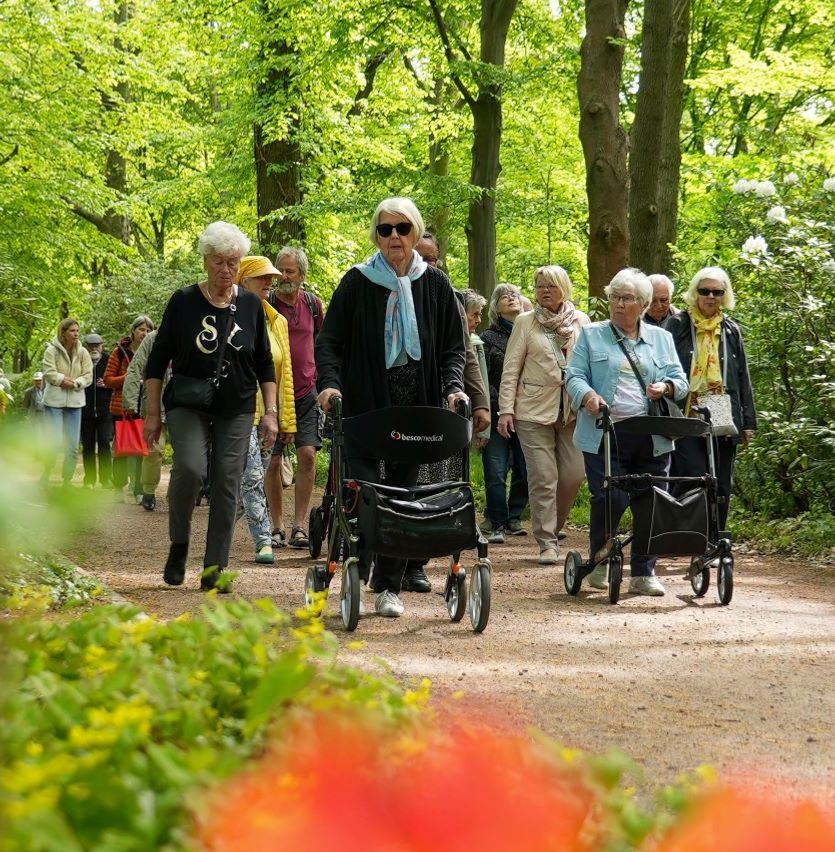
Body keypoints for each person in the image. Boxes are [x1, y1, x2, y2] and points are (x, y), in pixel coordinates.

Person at [315, 197, 466, 618]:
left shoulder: (435, 285)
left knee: (406, 498)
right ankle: (355, 573)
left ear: (415, 232)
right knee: (366, 496)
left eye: (402, 228)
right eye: (385, 230)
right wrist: (329, 385)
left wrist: (453, 389)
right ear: (376, 236)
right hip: (365, 408)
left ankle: (388, 587)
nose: (394, 237)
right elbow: (329, 343)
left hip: (416, 410)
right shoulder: (357, 281)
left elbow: (453, 348)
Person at [144, 221, 278, 592]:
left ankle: (214, 567)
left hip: (236, 406)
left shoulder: (251, 304)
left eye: (233, 263)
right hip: (188, 402)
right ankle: (179, 544)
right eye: (219, 262)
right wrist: (153, 415)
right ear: (205, 261)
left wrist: (270, 412)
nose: (226, 270)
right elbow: (158, 361)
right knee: (189, 469)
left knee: (227, 481)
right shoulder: (184, 301)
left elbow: (265, 362)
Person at [565, 268, 688, 597]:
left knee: (651, 500)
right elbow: (573, 376)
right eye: (614, 297)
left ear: (644, 304)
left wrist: (667, 385)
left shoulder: (661, 338)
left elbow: (682, 380)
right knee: (610, 498)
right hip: (605, 434)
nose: (618, 304)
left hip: (651, 436)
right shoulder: (591, 335)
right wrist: (588, 396)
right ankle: (601, 562)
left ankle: (644, 572)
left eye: (626, 298)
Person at [399, 236, 490, 594]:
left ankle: (416, 563)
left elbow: (465, 353)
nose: (427, 263)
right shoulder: (380, 290)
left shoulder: (448, 298)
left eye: (432, 258)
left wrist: (480, 401)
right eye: (420, 256)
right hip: (394, 407)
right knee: (396, 483)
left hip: (438, 406)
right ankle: (387, 556)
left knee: (430, 485)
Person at [497, 266, 589, 565]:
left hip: (573, 410)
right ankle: (547, 541)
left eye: (550, 285)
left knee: (574, 475)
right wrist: (506, 410)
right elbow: (511, 368)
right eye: (539, 286)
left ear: (564, 288)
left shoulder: (582, 322)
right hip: (532, 410)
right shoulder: (526, 322)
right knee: (543, 477)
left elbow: (592, 366)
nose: (544, 291)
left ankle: (555, 526)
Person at [667, 266, 756, 531]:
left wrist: (748, 421)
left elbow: (742, 376)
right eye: (705, 291)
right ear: (695, 293)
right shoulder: (679, 324)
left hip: (720, 405)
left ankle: (714, 539)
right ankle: (686, 533)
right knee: (690, 474)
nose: (710, 296)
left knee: (719, 479)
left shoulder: (730, 329)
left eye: (717, 292)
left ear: (724, 296)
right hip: (687, 405)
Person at [235, 256, 296, 564]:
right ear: (243, 281)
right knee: (252, 476)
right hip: (239, 410)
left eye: (271, 277)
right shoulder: (231, 317)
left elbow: (284, 376)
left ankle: (217, 530)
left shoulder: (278, 321)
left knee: (246, 481)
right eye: (262, 277)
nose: (270, 282)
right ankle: (263, 540)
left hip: (268, 415)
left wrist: (285, 419)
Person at [266, 246, 324, 550]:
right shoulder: (265, 304)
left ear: (302, 274)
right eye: (281, 270)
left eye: (290, 271)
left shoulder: (314, 306)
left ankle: (300, 526)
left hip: (307, 393)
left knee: (308, 456)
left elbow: (322, 346)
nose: (284, 276)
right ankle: (275, 527)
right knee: (273, 461)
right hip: (274, 395)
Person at [480, 283, 530, 544]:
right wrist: (502, 405)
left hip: (528, 412)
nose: (511, 297)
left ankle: (515, 517)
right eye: (503, 295)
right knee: (496, 469)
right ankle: (497, 522)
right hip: (497, 411)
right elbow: (481, 377)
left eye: (515, 294)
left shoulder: (531, 333)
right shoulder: (488, 338)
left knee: (525, 468)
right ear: (495, 307)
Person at [104, 316, 155, 502]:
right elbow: (108, 380)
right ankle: (118, 486)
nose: (145, 333)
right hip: (122, 408)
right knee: (121, 449)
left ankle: (139, 489)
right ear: (133, 331)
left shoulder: (154, 351)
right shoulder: (119, 352)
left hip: (146, 405)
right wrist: (130, 377)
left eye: (149, 330)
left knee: (143, 449)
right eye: (141, 329)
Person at [41, 318, 93, 485]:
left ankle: (67, 481)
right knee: (54, 443)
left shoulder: (83, 352)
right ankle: (46, 474)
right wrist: (64, 380)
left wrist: (77, 383)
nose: (76, 334)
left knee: (72, 446)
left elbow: (88, 375)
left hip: (75, 403)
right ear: (63, 333)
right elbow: (49, 373)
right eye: (72, 331)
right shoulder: (51, 351)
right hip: (54, 403)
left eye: (77, 330)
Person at [123, 329, 166, 509]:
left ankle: (180, 492)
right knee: (154, 451)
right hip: (154, 403)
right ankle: (148, 491)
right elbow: (135, 368)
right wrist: (130, 401)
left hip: (184, 404)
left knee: (185, 452)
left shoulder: (192, 332)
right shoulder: (153, 338)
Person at [81, 333, 113, 488]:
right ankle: (89, 480)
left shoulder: (109, 360)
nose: (94, 348)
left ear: (102, 346)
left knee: (104, 443)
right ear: (86, 347)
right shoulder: (81, 360)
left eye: (97, 345)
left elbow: (118, 379)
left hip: (105, 410)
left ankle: (106, 479)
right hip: (84, 410)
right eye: (90, 346)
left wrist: (108, 384)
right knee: (87, 445)